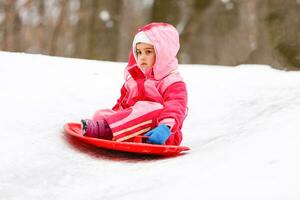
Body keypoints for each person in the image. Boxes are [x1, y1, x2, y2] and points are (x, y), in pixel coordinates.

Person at [81, 22, 188, 145]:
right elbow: (122, 105)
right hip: (132, 129)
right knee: (100, 114)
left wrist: (166, 128)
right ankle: (108, 129)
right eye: (139, 52)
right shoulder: (133, 80)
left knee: (154, 108)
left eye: (148, 52)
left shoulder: (172, 82)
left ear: (163, 53)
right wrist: (113, 116)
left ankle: (107, 130)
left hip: (162, 134)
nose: (142, 57)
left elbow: (176, 107)